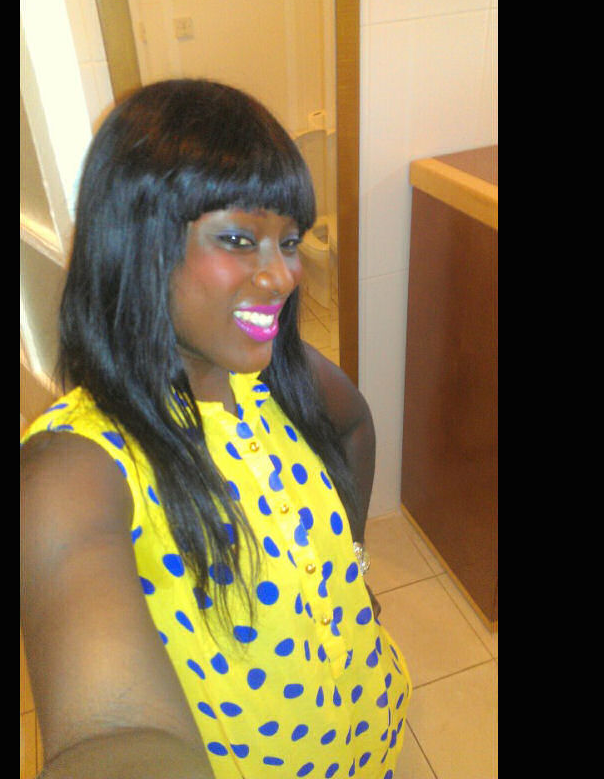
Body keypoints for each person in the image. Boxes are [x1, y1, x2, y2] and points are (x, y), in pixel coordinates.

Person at [20, 78, 410, 779]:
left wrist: (349, 563)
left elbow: (354, 425)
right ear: (137, 241)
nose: (283, 276)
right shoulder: (77, 466)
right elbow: (112, 735)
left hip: (367, 721)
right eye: (239, 239)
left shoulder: (277, 371)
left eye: (288, 242)